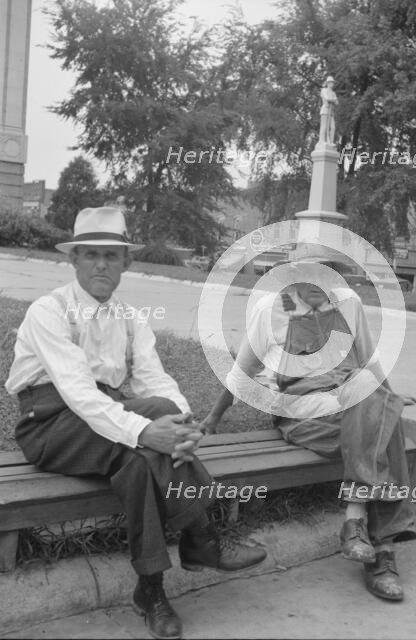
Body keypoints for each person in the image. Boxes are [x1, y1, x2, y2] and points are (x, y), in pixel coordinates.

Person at [5, 207, 266, 640]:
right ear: (74, 260)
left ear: (127, 262)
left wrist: (181, 425)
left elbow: (155, 378)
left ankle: (152, 590)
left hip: (106, 422)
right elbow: (79, 395)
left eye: (111, 255)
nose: (101, 265)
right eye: (91, 255)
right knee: (145, 434)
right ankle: (202, 536)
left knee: (141, 462)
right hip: (49, 424)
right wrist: (149, 431)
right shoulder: (48, 311)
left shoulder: (131, 318)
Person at [200, 250, 416, 601]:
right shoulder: (270, 310)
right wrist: (212, 419)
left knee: (377, 405)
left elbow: (368, 356)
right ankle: (381, 552)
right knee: (383, 420)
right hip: (302, 415)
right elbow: (242, 374)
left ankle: (358, 526)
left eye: (329, 272)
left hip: (349, 401)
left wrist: (389, 395)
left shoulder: (348, 302)